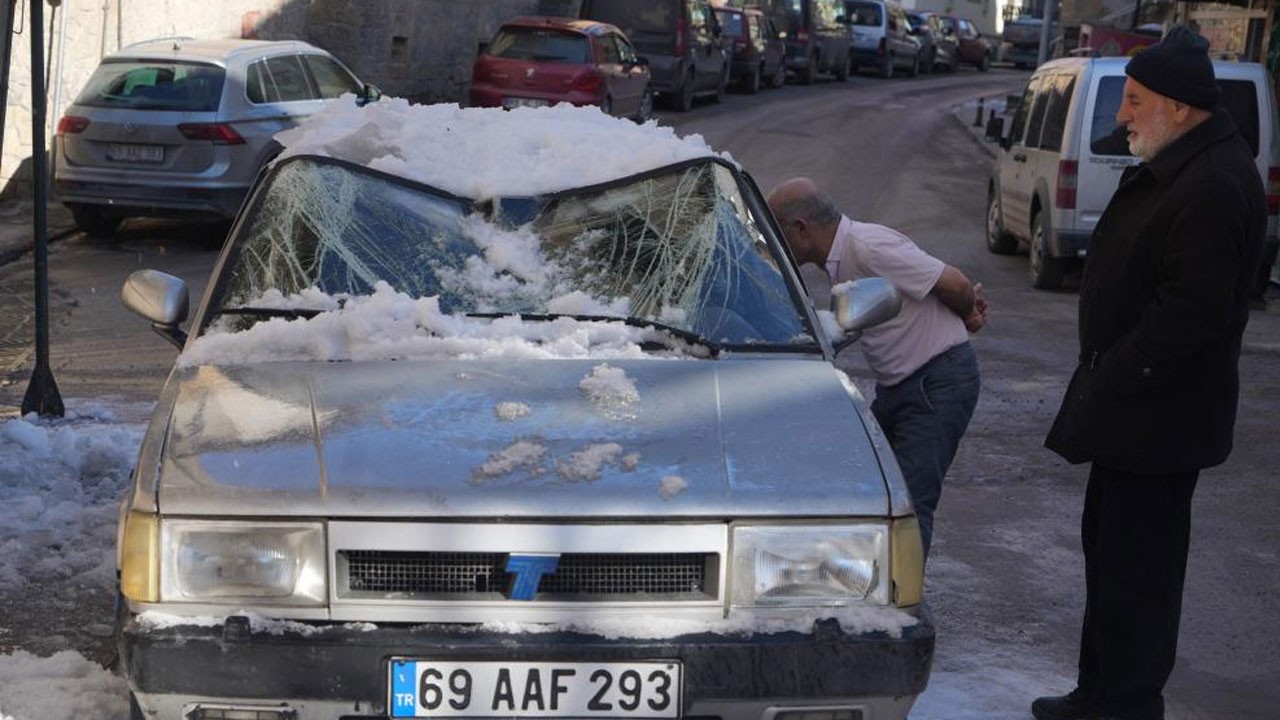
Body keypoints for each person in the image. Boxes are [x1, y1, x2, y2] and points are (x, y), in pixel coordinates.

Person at [1038, 26, 1266, 720]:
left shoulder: (1213, 183)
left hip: (1158, 419)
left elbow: (1190, 315)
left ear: (1180, 107)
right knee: (1111, 562)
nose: (1123, 114)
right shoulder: (1184, 162)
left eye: (1135, 100)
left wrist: (1116, 372)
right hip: (1132, 417)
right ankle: (1099, 694)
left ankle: (1127, 705)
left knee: (1139, 575)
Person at [766, 177, 987, 558]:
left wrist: (968, 313)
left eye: (776, 232)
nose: (772, 243)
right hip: (899, 388)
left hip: (938, 383)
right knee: (867, 486)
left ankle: (902, 595)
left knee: (909, 505)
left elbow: (955, 283)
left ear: (801, 229)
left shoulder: (868, 247)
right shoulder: (844, 256)